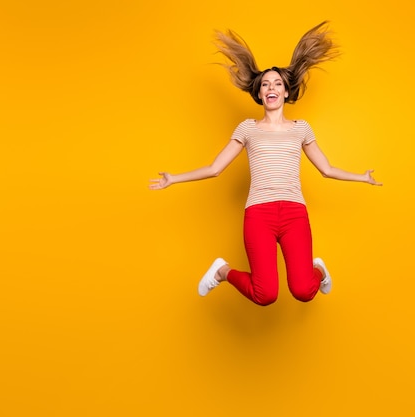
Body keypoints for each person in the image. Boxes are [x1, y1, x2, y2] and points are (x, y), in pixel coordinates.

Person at [149, 21, 382, 306]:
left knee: (303, 291)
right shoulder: (247, 129)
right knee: (266, 294)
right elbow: (215, 168)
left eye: (277, 84)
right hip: (259, 214)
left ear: (286, 92)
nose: (271, 88)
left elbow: (327, 169)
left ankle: (319, 271)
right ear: (259, 93)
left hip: (295, 213)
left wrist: (362, 177)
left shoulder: (301, 128)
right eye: (265, 84)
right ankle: (222, 271)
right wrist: (174, 178)